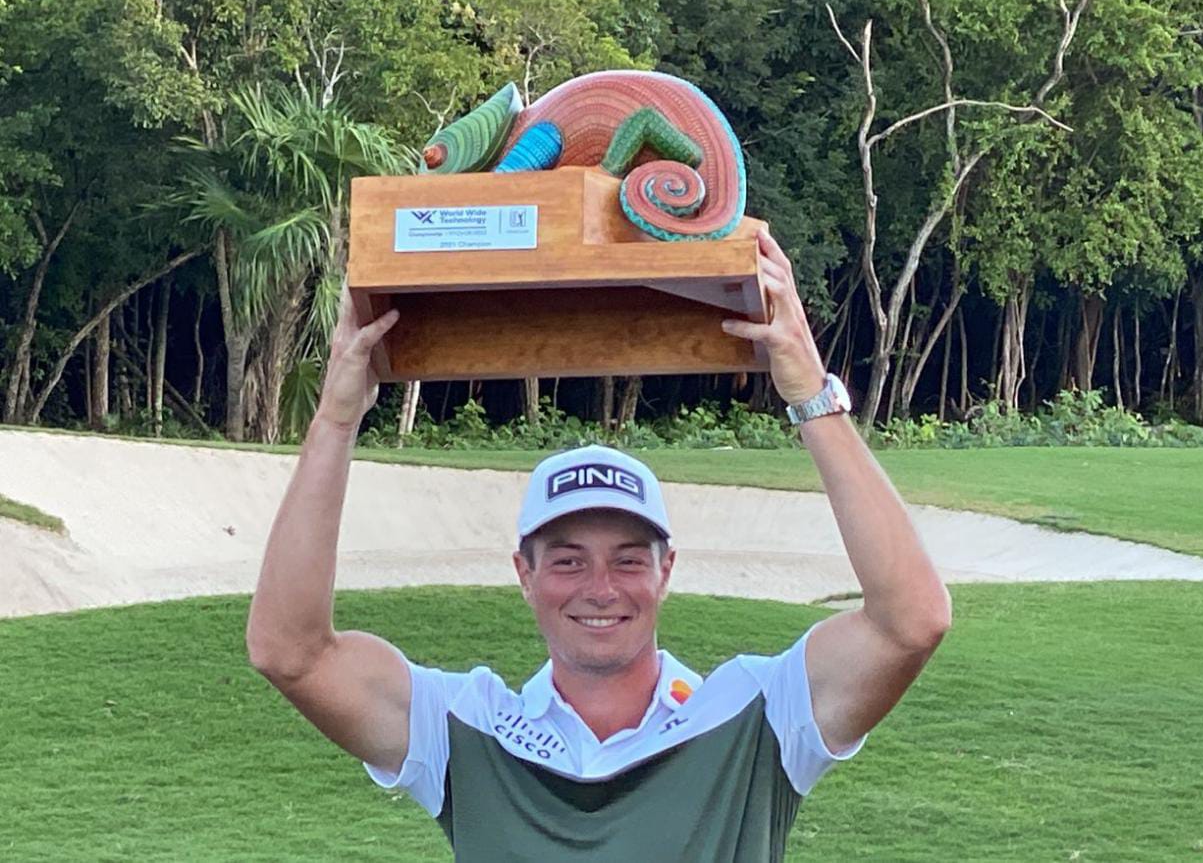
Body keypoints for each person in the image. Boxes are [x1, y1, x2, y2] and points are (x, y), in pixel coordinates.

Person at [246, 228, 951, 861]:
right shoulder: (465, 728)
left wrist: (810, 395)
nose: (601, 587)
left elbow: (911, 621)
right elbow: (290, 651)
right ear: (524, 573)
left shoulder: (758, 717)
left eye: (628, 558)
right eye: (567, 559)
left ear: (665, 570)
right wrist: (336, 418)